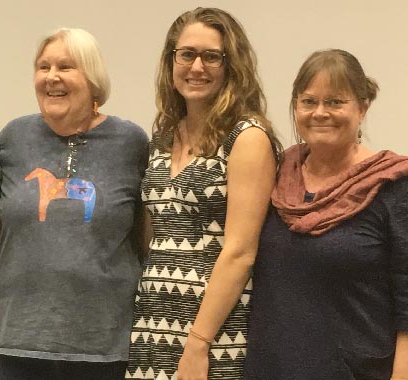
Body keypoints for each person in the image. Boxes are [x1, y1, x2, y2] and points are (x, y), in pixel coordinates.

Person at [243, 49, 408, 380]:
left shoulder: (401, 188)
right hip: (269, 367)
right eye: (308, 102)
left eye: (335, 102)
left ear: (363, 107)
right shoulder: (277, 174)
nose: (320, 113)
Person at [126, 7, 281, 380]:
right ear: (171, 61)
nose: (197, 67)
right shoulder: (163, 136)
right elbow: (153, 240)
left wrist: (198, 342)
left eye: (212, 56)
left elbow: (240, 252)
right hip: (152, 327)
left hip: (213, 336)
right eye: (187, 54)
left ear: (232, 66)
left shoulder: (246, 137)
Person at [0, 28, 149, 380]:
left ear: (93, 78)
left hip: (103, 345)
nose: (52, 77)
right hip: (20, 339)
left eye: (66, 67)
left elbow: (144, 229)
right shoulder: (14, 137)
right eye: (43, 67)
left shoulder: (130, 142)